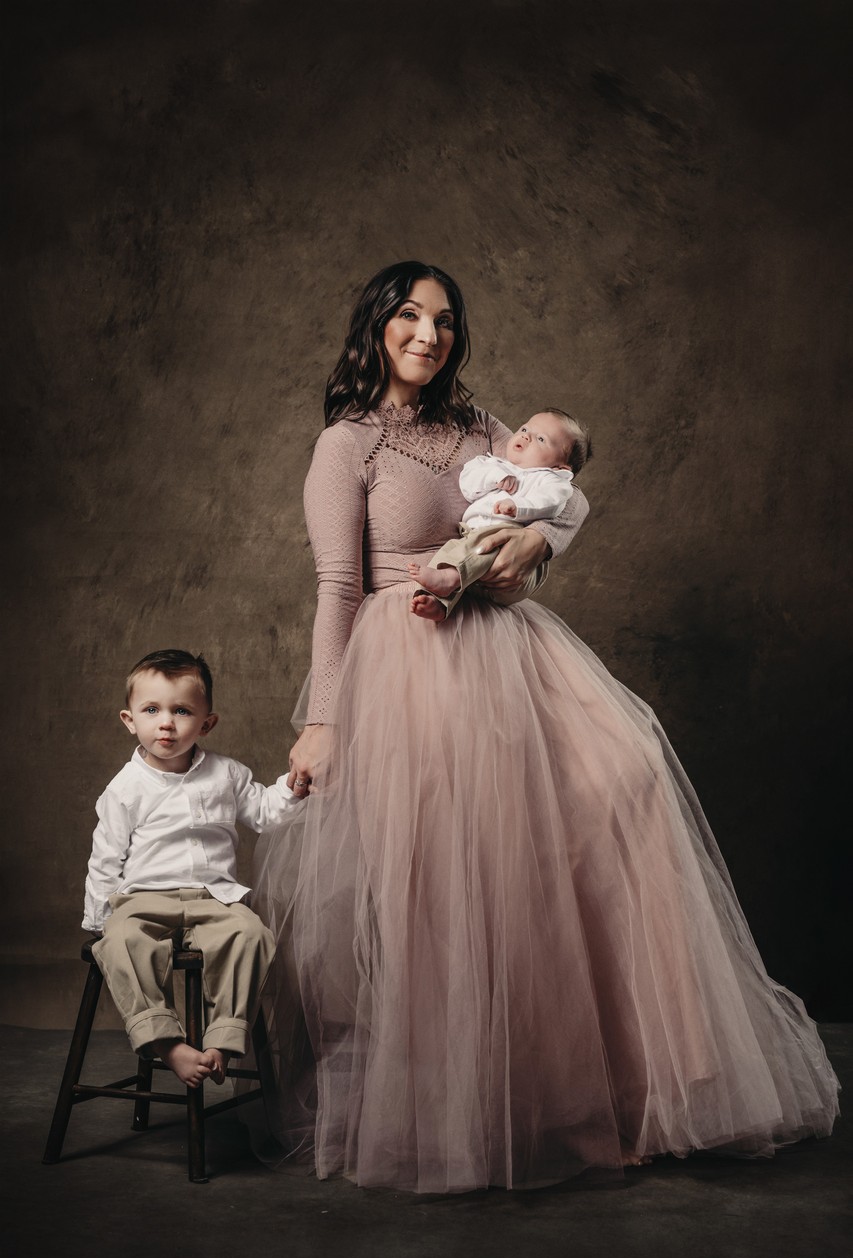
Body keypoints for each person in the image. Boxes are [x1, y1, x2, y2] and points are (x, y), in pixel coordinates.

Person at [252, 261, 839, 1192]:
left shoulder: (483, 427)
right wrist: (322, 719)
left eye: (443, 320)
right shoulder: (347, 444)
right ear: (376, 327)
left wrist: (540, 543)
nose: (427, 333)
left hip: (508, 647)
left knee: (627, 780)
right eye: (408, 315)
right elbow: (338, 586)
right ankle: (473, 1101)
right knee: (459, 867)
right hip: (406, 655)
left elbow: (561, 491)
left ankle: (639, 1084)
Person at [84, 648, 300, 1088]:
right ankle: (167, 1043)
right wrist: (99, 920)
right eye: (152, 710)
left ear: (206, 723)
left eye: (181, 711)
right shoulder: (125, 788)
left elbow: (264, 813)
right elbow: (105, 856)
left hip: (214, 897)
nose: (166, 722)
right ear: (130, 720)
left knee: (252, 935)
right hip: (144, 898)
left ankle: (222, 1038)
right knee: (122, 940)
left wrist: (294, 785)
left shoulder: (227, 774)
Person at [407, 408, 590, 621]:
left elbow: (555, 501)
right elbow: (468, 484)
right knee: (456, 549)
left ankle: (449, 577)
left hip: (508, 548)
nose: (525, 436)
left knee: (480, 544)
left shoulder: (549, 479)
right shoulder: (492, 463)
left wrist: (519, 507)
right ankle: (438, 603)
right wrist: (497, 475)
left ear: (560, 468)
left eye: (540, 438)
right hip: (472, 539)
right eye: (524, 428)